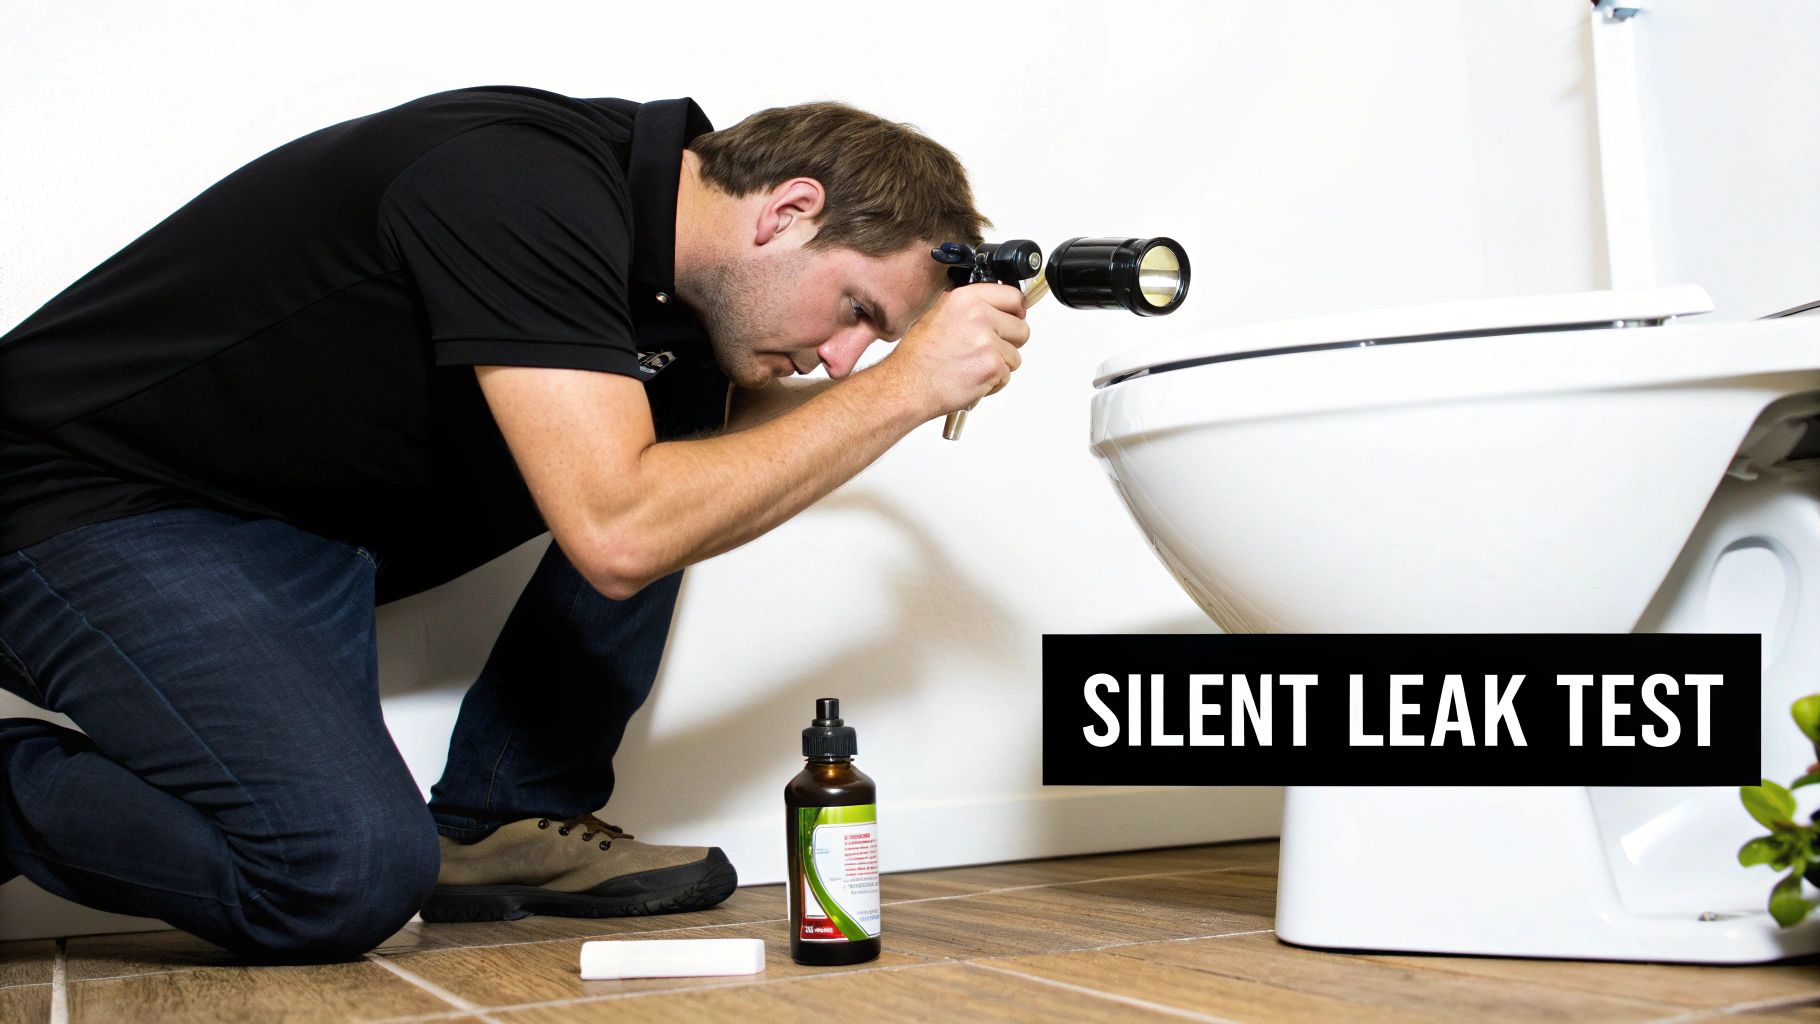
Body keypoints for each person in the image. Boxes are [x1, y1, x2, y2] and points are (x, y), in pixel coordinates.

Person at [0, 85, 1027, 962]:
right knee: (338, 876)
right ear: (788, 211)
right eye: (855, 309)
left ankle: (500, 814)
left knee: (693, 439)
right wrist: (902, 392)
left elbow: (731, 461)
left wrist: (915, 374)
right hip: (76, 496)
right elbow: (620, 530)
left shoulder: (676, 276)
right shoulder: (513, 186)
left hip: (286, 545)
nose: (845, 357)